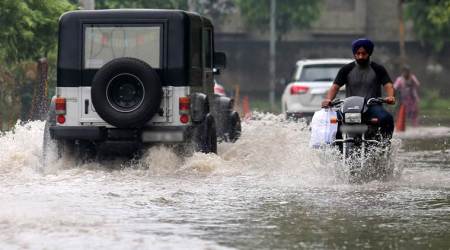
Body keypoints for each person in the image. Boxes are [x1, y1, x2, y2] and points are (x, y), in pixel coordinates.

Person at [321, 38, 396, 138]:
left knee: (387, 118)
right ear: (354, 54)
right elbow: (335, 87)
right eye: (358, 53)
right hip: (350, 107)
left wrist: (390, 97)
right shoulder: (346, 69)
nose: (360, 56)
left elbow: (388, 85)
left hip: (371, 106)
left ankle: (384, 146)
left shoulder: (378, 69)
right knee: (335, 121)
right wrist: (328, 99)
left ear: (369, 53)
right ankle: (337, 149)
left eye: (363, 53)